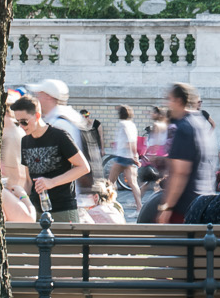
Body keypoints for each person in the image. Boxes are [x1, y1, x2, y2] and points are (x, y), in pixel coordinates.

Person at [12, 95, 92, 223]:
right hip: (37, 210)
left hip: (63, 210)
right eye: (17, 122)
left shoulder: (59, 136)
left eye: (24, 122)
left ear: (37, 116)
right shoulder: (25, 141)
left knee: (66, 243)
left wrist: (51, 182)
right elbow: (28, 180)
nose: (21, 126)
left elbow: (84, 167)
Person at [157, 83, 206, 225]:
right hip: (201, 202)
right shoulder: (200, 123)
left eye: (169, 99)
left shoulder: (184, 128)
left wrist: (167, 207)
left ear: (178, 101)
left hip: (183, 207)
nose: (166, 103)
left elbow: (180, 173)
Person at [104, 105, 142, 214]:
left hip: (122, 156)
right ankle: (139, 207)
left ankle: (108, 204)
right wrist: (134, 156)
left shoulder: (123, 124)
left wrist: (132, 154)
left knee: (110, 181)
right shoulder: (132, 124)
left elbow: (130, 141)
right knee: (133, 183)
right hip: (128, 157)